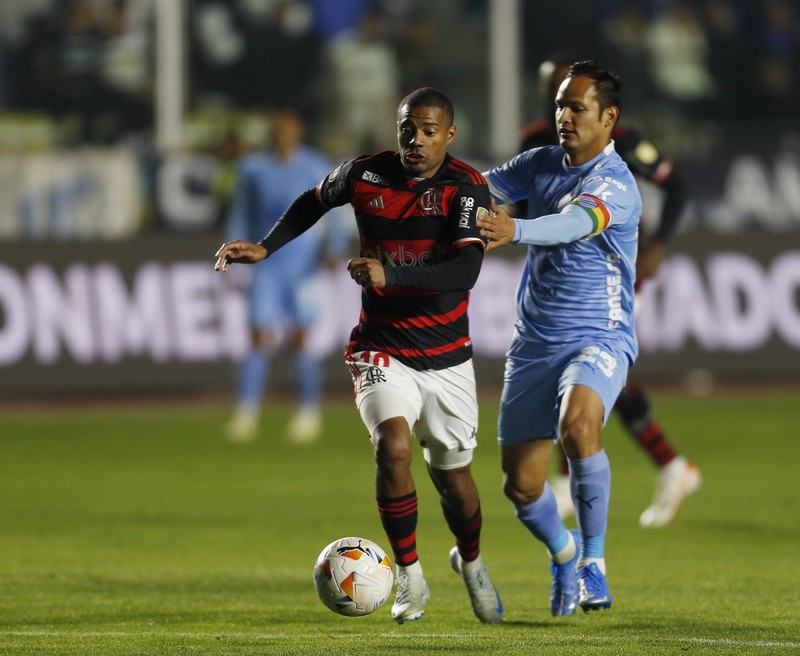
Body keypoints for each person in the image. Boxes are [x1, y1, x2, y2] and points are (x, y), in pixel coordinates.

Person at [214, 87, 503, 625]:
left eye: (428, 130)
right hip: (380, 347)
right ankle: (411, 575)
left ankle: (472, 561)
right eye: (407, 128)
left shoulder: (466, 187)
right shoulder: (365, 174)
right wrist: (266, 246)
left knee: (455, 481)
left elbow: (465, 270)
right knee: (393, 446)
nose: (415, 139)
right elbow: (311, 200)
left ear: (450, 135)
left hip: (446, 355)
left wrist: (388, 274)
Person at [478, 61, 640, 616]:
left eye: (577, 107)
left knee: (579, 423)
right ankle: (565, 553)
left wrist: (514, 228)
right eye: (559, 105)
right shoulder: (539, 163)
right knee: (521, 487)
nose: (563, 116)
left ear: (608, 117)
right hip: (534, 341)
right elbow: (475, 192)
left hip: (600, 333)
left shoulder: (616, 184)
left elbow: (574, 224)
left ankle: (595, 563)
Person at [521, 53, 702, 529]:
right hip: (559, 277)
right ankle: (668, 465)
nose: (557, 101)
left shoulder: (622, 143)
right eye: (550, 91)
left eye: (566, 91)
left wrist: (658, 244)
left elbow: (676, 185)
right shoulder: (535, 142)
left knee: (594, 365)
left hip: (607, 271)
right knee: (589, 373)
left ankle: (655, 466)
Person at [223, 107, 350, 444]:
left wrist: (336, 247)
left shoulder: (315, 165)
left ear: (297, 132)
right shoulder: (252, 168)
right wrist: (232, 249)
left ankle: (309, 413)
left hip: (301, 266)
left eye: (287, 129)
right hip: (266, 265)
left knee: (301, 338)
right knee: (258, 336)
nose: (282, 135)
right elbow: (241, 211)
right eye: (277, 129)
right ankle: (246, 413)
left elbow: (334, 210)